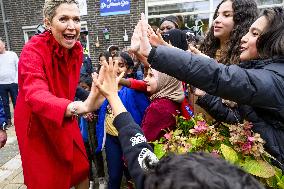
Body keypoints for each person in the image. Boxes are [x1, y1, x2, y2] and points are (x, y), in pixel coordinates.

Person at [134, 8, 284, 169]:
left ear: (273, 40)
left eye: (255, 34)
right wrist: (206, 96)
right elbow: (243, 121)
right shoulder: (264, 73)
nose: (244, 38)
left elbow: (220, 76)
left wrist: (153, 53)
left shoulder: (276, 79)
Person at [91, 58, 265, 189]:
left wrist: (112, 96)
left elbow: (141, 148)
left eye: (151, 75)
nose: (145, 79)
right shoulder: (174, 100)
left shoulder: (159, 107)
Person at [14, 1, 105, 188]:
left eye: (76, 19)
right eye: (63, 19)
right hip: (36, 121)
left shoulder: (77, 50)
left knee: (80, 167)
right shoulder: (32, 50)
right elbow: (35, 93)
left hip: (64, 114)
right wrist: (80, 106)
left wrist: (92, 97)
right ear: (48, 23)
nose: (72, 26)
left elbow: (67, 88)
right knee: (48, 178)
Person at [96, 51, 150, 189]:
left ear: (130, 70)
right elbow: (99, 109)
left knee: (133, 174)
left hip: (130, 140)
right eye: (113, 64)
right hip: (111, 139)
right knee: (114, 176)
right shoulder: (104, 89)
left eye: (121, 65)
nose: (116, 68)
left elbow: (145, 115)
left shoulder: (134, 91)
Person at [199, 0, 258, 65]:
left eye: (226, 15)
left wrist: (208, 64)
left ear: (242, 21)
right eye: (217, 15)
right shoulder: (203, 50)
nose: (216, 20)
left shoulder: (248, 57)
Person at [0, 38, 19, 127]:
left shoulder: (12, 54)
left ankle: (19, 118)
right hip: (1, 84)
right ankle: (8, 121)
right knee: (4, 103)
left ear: (4, 44)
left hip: (13, 83)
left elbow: (18, 67)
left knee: (16, 101)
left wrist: (16, 81)